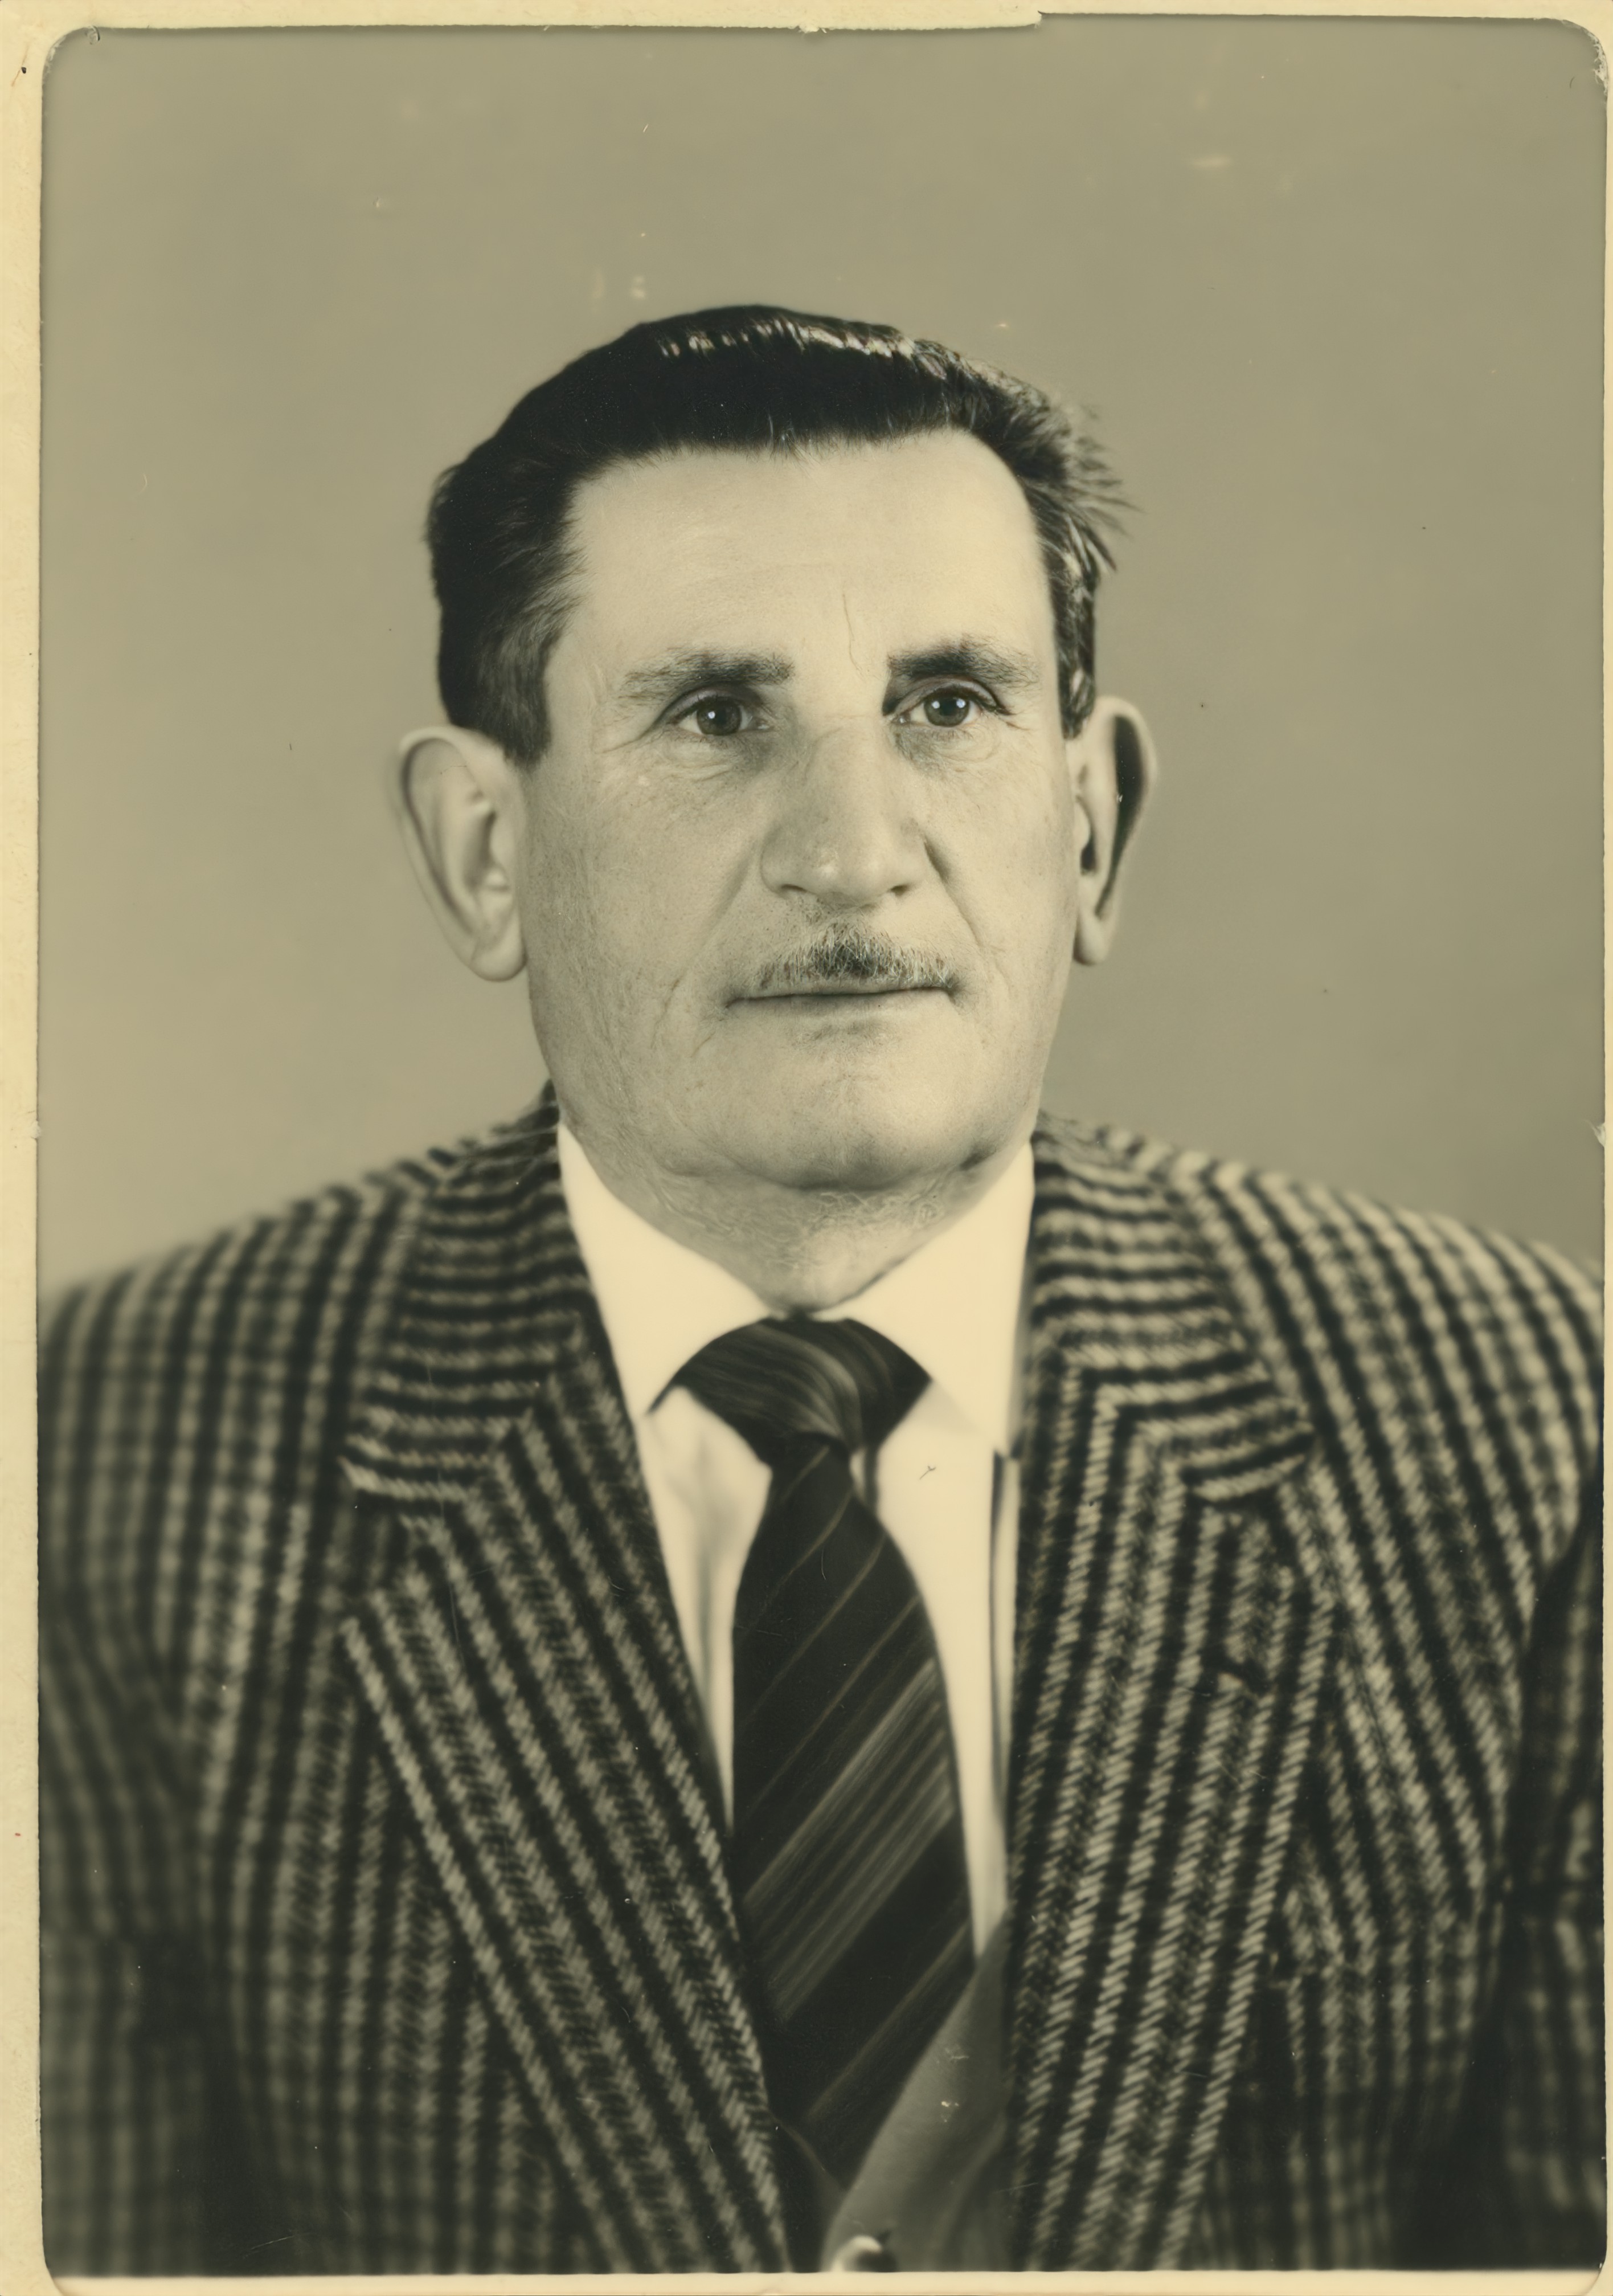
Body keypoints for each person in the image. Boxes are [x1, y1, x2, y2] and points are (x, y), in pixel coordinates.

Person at [39, 307, 1602, 2275]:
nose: (857, 857)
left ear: (1093, 827)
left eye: (948, 702)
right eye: (716, 716)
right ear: (485, 852)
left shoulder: (1528, 1414)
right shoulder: (108, 1459)